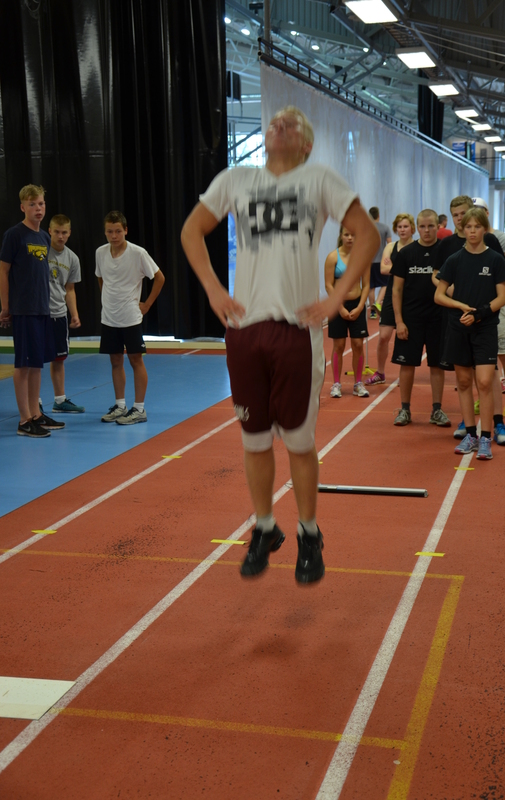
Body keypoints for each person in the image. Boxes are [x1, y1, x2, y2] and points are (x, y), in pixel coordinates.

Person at [181, 105, 379, 584]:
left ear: (306, 143)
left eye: (293, 122)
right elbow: (191, 231)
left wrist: (336, 296)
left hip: (296, 329)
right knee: (253, 441)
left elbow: (369, 235)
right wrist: (213, 288)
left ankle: (309, 533)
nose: (281, 122)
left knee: (298, 441)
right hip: (245, 328)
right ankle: (265, 526)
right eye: (276, 120)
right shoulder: (236, 179)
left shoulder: (319, 179)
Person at [435, 207, 505, 460]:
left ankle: (486, 438)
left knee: (485, 382)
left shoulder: (495, 259)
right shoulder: (454, 259)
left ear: (484, 229)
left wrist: (479, 313)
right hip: (458, 327)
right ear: (462, 228)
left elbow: (502, 297)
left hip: (485, 328)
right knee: (464, 382)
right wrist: (460, 306)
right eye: (468, 227)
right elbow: (439, 295)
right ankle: (471, 435)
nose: (472, 231)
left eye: (477, 227)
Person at [0, 184, 65, 437]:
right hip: (24, 309)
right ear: (22, 207)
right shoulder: (14, 235)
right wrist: (6, 306)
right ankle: (24, 420)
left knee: (37, 364)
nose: (38, 208)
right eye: (32, 204)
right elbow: (3, 271)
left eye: (41, 204)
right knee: (23, 365)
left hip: (41, 308)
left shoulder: (44, 238)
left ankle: (36, 414)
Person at [96, 211, 165, 424]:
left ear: (125, 230)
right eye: (110, 231)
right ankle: (120, 405)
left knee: (136, 360)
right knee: (115, 361)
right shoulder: (100, 252)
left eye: (118, 231)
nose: (114, 236)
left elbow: (159, 278)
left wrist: (147, 304)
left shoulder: (138, 253)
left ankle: (139, 409)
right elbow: (101, 278)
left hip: (131, 318)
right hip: (109, 318)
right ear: (105, 232)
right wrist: (107, 299)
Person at [391, 209, 450, 428]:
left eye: (431, 226)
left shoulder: (445, 253)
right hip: (411, 320)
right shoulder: (406, 254)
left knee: (437, 365)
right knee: (407, 365)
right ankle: (405, 409)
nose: (427, 231)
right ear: (417, 228)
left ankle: (437, 410)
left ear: (437, 227)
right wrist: (399, 321)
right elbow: (396, 290)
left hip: (438, 319)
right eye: (423, 227)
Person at [471, 197, 505, 424]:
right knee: (479, 358)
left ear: (487, 213)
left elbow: (500, 274)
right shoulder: (465, 240)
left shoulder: (499, 238)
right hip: (473, 308)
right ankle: (482, 397)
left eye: (479, 211)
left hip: (494, 307)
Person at [365, 213, 415, 386]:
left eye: (405, 226)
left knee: (407, 337)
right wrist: (405, 268)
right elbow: (383, 269)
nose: (402, 230)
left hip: (410, 296)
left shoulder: (416, 248)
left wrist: (394, 266)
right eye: (399, 227)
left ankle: (405, 375)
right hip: (391, 296)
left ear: (412, 228)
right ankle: (380, 372)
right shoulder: (391, 247)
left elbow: (410, 270)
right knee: (383, 336)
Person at [43, 214, 85, 413]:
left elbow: (70, 289)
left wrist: (74, 314)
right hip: (39, 313)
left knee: (58, 359)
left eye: (64, 232)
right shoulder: (40, 251)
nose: (60, 236)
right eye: (57, 232)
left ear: (69, 233)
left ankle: (59, 401)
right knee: (34, 360)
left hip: (59, 314)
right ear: (49, 231)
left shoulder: (72, 258)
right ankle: (34, 401)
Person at [325, 225, 370, 398]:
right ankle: (336, 384)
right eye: (347, 234)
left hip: (356, 304)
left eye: (353, 235)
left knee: (358, 344)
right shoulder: (332, 257)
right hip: (338, 306)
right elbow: (329, 285)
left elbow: (366, 284)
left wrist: (360, 306)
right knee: (339, 345)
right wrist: (340, 308)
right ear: (341, 236)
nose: (350, 238)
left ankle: (358, 383)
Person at [367, 207, 392, 318]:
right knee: (385, 284)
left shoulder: (366, 227)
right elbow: (390, 244)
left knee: (370, 287)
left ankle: (372, 312)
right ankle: (378, 302)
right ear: (378, 216)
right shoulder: (385, 228)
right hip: (381, 261)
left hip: (368, 262)